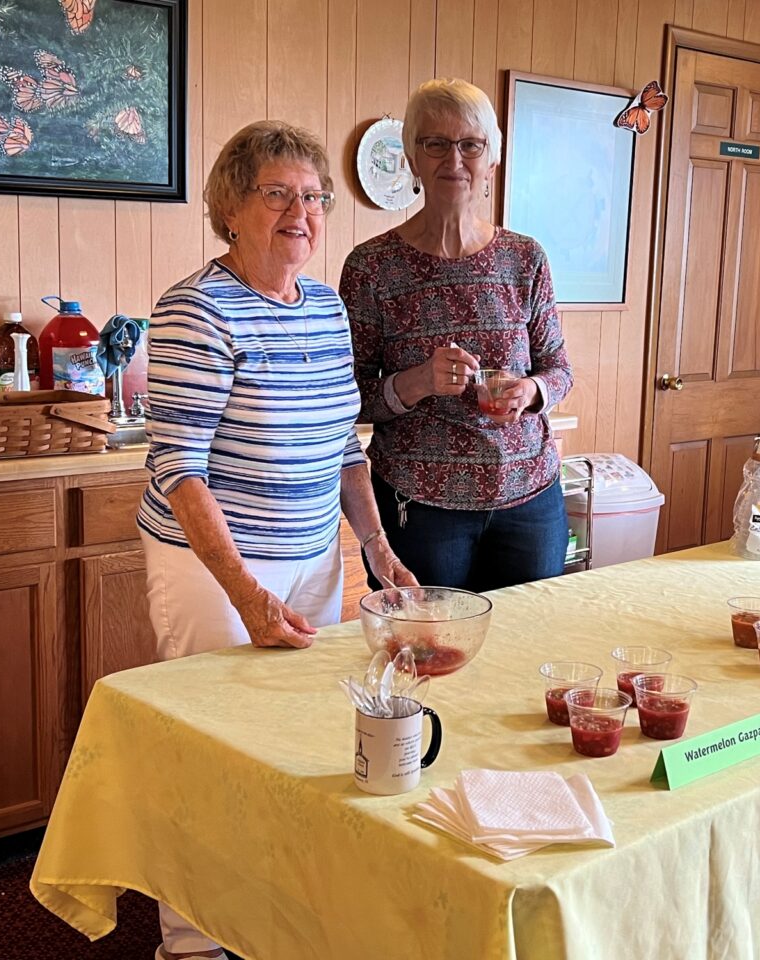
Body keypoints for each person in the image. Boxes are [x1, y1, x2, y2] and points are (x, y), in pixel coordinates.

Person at [137, 120, 415, 960]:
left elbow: (342, 450)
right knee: (211, 749)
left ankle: (275, 915)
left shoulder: (326, 306)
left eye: (313, 197)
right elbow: (180, 472)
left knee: (294, 741)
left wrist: (374, 548)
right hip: (212, 567)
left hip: (310, 559)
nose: (301, 212)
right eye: (277, 194)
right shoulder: (196, 309)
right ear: (230, 207)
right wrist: (246, 592)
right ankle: (192, 941)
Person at [341, 78, 574, 593]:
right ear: (411, 157)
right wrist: (418, 381)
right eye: (435, 143)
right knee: (426, 650)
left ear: (491, 158)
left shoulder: (525, 258)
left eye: (471, 144)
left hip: (529, 500)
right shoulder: (372, 267)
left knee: (525, 647)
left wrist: (532, 391)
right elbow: (347, 399)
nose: (454, 159)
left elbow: (559, 369)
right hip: (419, 509)